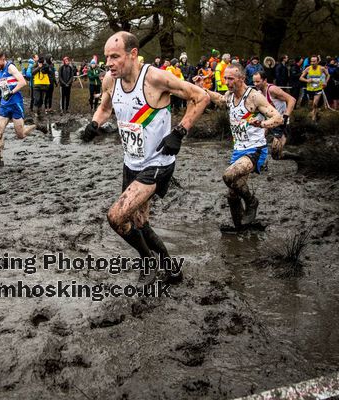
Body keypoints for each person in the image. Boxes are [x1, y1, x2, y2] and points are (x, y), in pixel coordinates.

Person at [82, 31, 210, 283]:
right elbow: (106, 107)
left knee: (116, 217)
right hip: (131, 161)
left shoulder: (155, 78)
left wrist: (180, 132)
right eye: (107, 56)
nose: (109, 62)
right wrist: (94, 124)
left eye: (115, 56)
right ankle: (172, 270)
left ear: (133, 54)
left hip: (158, 163)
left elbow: (201, 96)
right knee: (139, 222)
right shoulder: (110, 79)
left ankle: (148, 262)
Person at [196, 64, 282, 229]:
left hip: (255, 149)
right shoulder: (229, 95)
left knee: (228, 176)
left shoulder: (254, 97)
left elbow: (278, 118)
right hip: (238, 150)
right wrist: (203, 89)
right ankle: (240, 228)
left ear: (242, 79)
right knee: (232, 193)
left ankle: (252, 202)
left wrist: (262, 123)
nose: (227, 82)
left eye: (231, 79)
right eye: (225, 78)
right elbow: (219, 99)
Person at [0, 49, 37, 167]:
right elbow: (2, 86)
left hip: (16, 104)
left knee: (20, 135)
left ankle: (36, 126)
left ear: (3, 58)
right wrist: (1, 97)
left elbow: (22, 82)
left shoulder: (10, 67)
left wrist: (11, 92)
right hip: (4, 105)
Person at [253, 71, 296, 160]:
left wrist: (286, 116)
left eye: (258, 81)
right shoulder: (259, 92)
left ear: (265, 80)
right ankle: (261, 163)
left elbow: (292, 99)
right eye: (254, 82)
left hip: (280, 123)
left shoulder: (272, 89)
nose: (255, 84)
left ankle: (297, 158)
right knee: (256, 143)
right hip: (269, 121)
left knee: (276, 154)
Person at [299, 55, 329, 121]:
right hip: (310, 89)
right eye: (311, 61)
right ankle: (315, 113)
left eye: (314, 61)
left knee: (315, 104)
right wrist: (307, 80)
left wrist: (325, 82)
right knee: (311, 105)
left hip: (318, 89)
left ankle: (313, 119)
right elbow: (301, 78)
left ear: (318, 61)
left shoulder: (322, 68)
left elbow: (328, 75)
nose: (312, 63)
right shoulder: (308, 68)